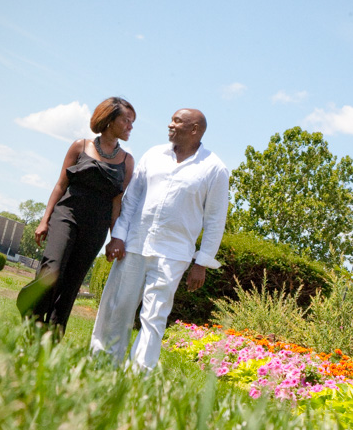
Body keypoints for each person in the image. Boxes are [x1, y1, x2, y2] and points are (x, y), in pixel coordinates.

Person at [90, 107, 229, 371]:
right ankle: (102, 364)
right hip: (135, 244)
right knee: (118, 307)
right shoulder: (153, 155)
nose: (170, 125)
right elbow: (131, 200)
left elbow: (214, 220)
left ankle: (139, 375)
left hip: (173, 254)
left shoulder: (214, 169)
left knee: (154, 316)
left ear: (194, 129)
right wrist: (118, 236)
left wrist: (201, 262)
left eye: (177, 121)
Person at [16, 96, 135, 335]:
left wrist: (115, 237)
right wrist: (44, 219)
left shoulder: (127, 161)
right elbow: (60, 185)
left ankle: (53, 337)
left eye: (133, 122)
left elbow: (116, 202)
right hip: (66, 215)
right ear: (110, 119)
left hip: (96, 226)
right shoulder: (80, 146)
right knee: (53, 269)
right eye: (126, 120)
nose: (130, 126)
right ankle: (33, 322)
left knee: (72, 283)